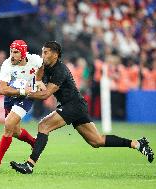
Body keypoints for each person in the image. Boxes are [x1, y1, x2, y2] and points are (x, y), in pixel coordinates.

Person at [10, 41, 154, 174]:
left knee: (43, 125)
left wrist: (24, 94)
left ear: (55, 54)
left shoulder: (60, 70)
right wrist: (40, 77)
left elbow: (46, 94)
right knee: (96, 141)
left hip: (73, 105)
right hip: (76, 105)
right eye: (42, 52)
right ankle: (137, 144)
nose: (43, 55)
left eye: (46, 52)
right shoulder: (47, 66)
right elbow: (39, 77)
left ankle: (29, 165)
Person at [0, 40, 46, 173]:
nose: (12, 55)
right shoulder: (7, 64)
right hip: (11, 97)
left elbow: (45, 66)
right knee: (15, 132)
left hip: (27, 98)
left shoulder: (35, 60)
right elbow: (1, 89)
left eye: (15, 52)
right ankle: (35, 143)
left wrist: (38, 81)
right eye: (11, 51)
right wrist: (22, 91)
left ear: (23, 53)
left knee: (8, 124)